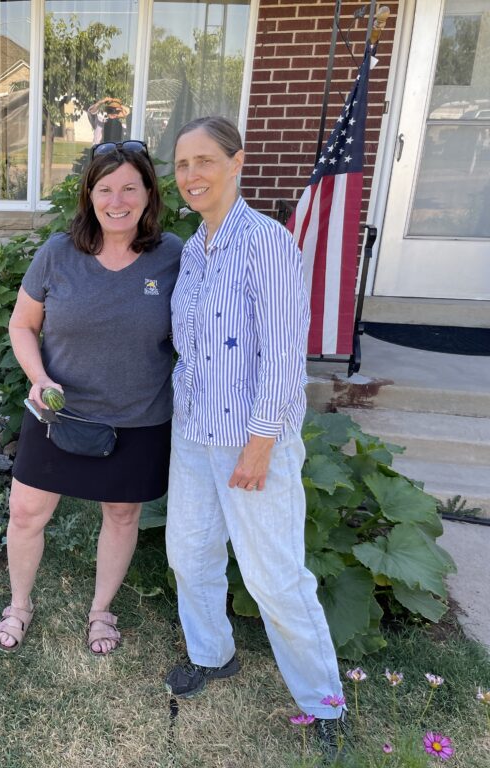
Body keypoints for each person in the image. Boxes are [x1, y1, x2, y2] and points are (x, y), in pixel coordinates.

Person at [164, 116, 347, 756]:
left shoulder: (268, 244)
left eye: (205, 161)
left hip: (251, 438)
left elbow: (282, 356)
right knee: (189, 555)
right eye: (183, 164)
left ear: (236, 162)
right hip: (194, 434)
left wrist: (262, 442)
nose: (192, 176)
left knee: (273, 576)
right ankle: (213, 655)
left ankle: (323, 700)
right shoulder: (193, 249)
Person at [0, 141, 182, 656]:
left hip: (138, 419)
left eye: (129, 187)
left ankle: (101, 613)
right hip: (58, 413)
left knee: (121, 515)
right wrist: (37, 376)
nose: (116, 200)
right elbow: (22, 324)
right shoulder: (57, 253)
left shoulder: (173, 256)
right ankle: (19, 605)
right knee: (26, 513)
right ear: (89, 195)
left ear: (148, 193)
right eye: (105, 189)